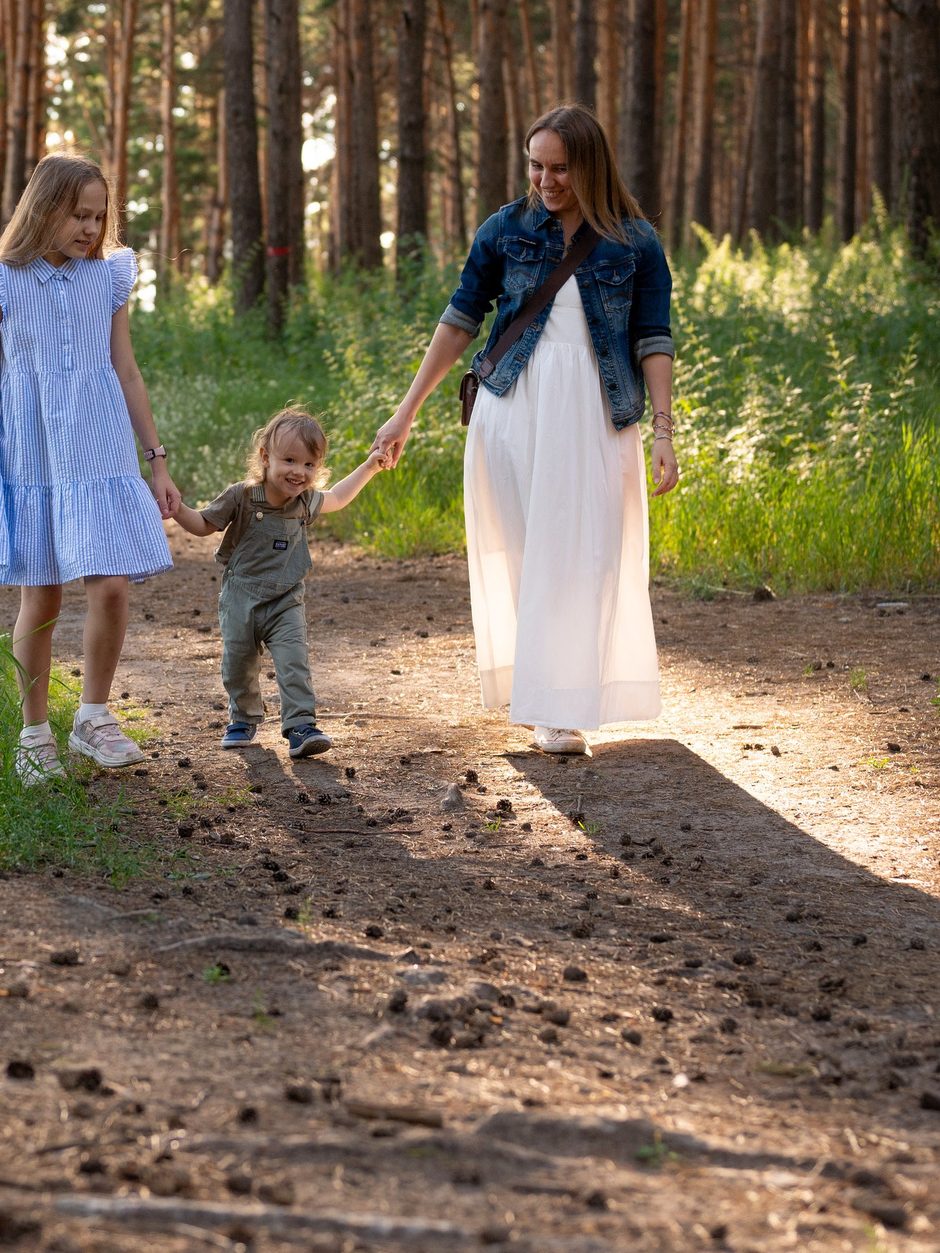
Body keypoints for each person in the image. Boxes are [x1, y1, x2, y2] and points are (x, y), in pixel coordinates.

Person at [372, 105, 678, 756]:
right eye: (536, 165)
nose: (545, 180)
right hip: (509, 402)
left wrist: (664, 432)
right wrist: (406, 410)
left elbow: (654, 339)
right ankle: (541, 694)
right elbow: (459, 321)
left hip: (595, 412)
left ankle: (559, 706)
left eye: (560, 167)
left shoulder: (636, 242)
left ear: (590, 166)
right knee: (522, 550)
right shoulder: (504, 229)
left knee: (577, 555)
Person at [0, 155, 180, 784]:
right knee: (43, 595)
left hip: (99, 446)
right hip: (29, 452)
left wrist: (156, 460)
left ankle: (92, 715)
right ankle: (34, 734)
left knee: (110, 584)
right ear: (44, 208)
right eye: (78, 214)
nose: (90, 227)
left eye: (98, 215)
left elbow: (126, 370)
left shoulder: (106, 277)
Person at [170, 408, 387, 761]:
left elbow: (338, 496)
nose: (299, 472)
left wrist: (370, 466)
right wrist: (176, 507)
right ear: (265, 458)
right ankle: (242, 717)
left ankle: (301, 725)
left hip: (286, 598)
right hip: (241, 597)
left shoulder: (305, 502)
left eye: (309, 465)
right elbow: (202, 524)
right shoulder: (241, 496)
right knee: (238, 662)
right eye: (289, 460)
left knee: (293, 660)